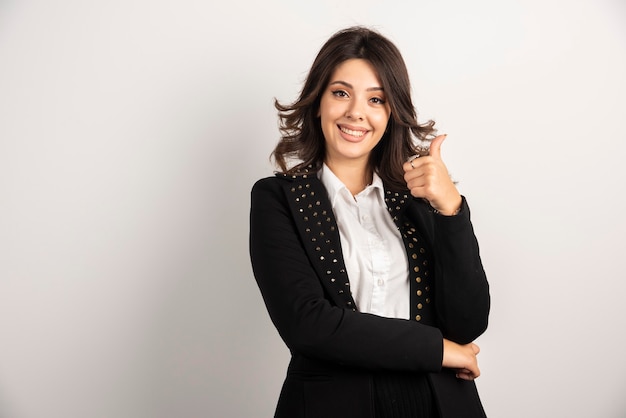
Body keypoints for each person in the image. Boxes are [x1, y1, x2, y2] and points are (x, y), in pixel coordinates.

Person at [249, 26, 490, 418]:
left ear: (390, 111)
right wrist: (439, 350)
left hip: (436, 403)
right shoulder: (277, 199)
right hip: (332, 406)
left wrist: (451, 209)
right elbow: (308, 325)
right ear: (317, 102)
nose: (356, 112)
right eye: (341, 93)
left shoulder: (420, 200)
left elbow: (467, 323)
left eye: (375, 99)